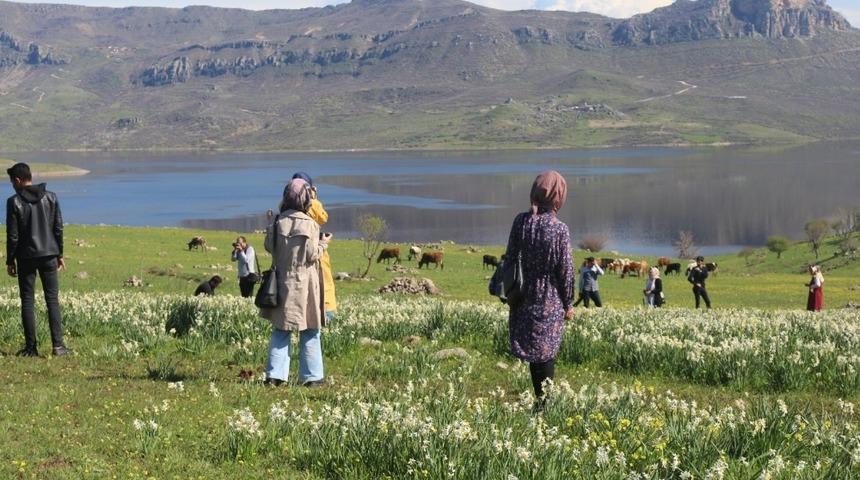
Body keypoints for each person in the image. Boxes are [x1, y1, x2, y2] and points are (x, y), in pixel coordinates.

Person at [505, 170, 574, 411]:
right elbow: (565, 270)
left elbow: (510, 258)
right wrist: (569, 303)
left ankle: (540, 401)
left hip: (523, 294)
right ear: (558, 196)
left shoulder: (520, 222)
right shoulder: (559, 229)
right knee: (546, 352)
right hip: (549, 297)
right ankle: (544, 404)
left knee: (536, 352)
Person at [260, 178, 331, 387]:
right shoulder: (310, 224)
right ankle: (312, 376)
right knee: (310, 329)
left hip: (281, 282)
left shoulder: (277, 222)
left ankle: (275, 376)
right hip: (304, 284)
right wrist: (323, 243)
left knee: (281, 329)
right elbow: (311, 255)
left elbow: (269, 248)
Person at [5, 163, 72, 357]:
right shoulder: (51, 197)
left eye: (12, 182)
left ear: (17, 180)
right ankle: (58, 346)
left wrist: (10, 260)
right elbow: (58, 228)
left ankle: (31, 348)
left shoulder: (14, 202)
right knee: (52, 300)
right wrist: (60, 255)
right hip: (50, 254)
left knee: (27, 300)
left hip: (26, 258)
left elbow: (13, 236)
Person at [291, 172, 337, 323]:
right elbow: (323, 218)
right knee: (324, 281)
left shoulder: (287, 206)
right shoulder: (310, 204)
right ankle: (327, 314)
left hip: (294, 250)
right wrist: (314, 199)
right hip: (314, 248)